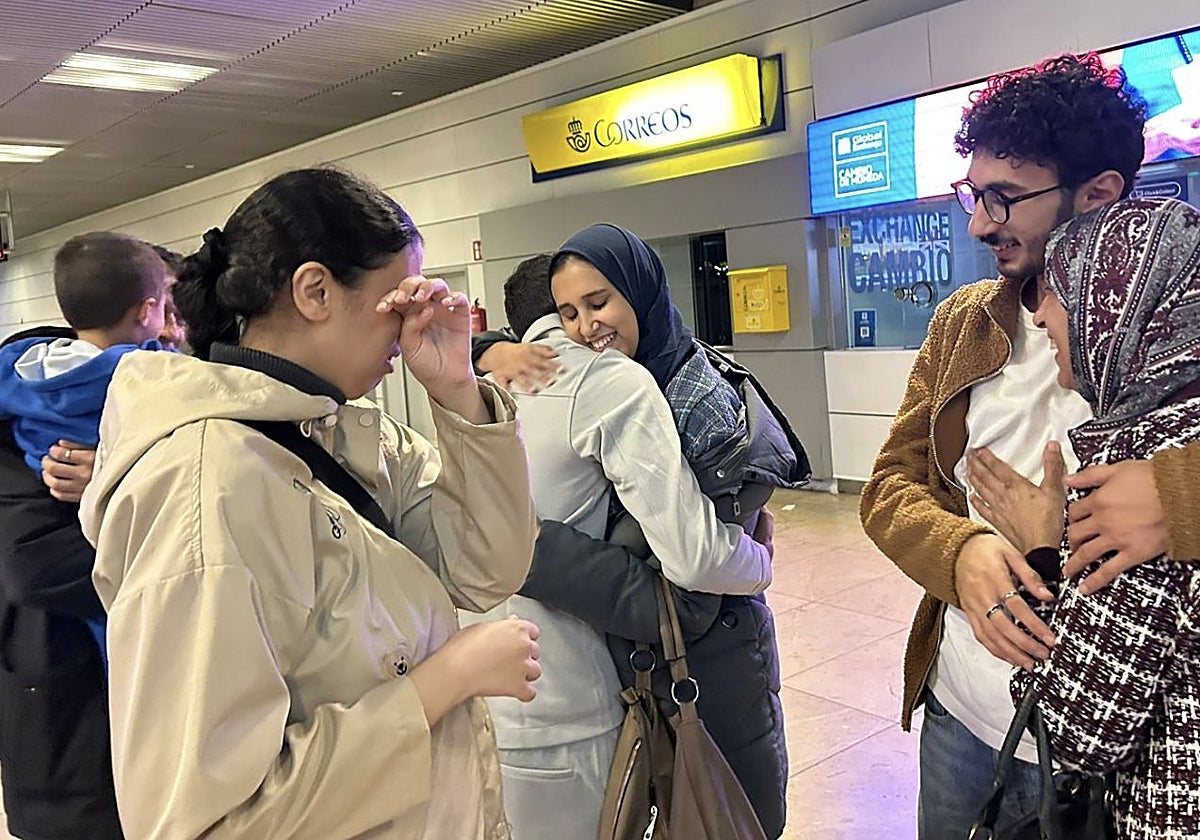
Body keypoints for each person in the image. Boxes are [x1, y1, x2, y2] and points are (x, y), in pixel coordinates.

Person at [77, 167, 540, 840]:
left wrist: (458, 392)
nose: (414, 320)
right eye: (397, 297)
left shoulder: (347, 431)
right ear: (316, 290)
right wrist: (445, 681)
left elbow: (486, 569)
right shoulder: (209, 485)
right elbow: (205, 821)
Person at [857, 52, 1200, 838]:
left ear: (1100, 192)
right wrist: (960, 552)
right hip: (963, 712)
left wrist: (1180, 494)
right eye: (974, 195)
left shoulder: (1176, 324)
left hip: (1109, 748)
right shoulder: (964, 323)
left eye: (1005, 198)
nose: (979, 223)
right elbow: (890, 487)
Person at [480, 224, 806, 836]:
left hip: (715, 651)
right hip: (657, 658)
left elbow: (698, 574)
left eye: (599, 303)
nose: (584, 329)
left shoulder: (689, 392)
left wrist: (760, 560)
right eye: (567, 314)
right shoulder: (628, 375)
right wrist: (488, 349)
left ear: (639, 289)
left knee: (733, 813)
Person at [976, 198, 1200, 835]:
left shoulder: (1149, 471)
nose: (1042, 311)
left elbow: (1079, 726)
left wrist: (1048, 552)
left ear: (1120, 304)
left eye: (1067, 288)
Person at [0, 231, 170, 670]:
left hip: (61, 516)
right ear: (148, 311)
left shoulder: (18, 370)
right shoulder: (150, 373)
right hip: (116, 545)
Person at [0, 323, 124, 840]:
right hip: (60, 749)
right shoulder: (13, 453)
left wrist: (116, 477)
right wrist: (122, 498)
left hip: (123, 729)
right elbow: (33, 568)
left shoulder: (114, 442)